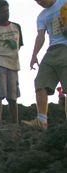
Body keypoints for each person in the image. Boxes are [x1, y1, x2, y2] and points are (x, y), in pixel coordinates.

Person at [22, 0, 67, 129]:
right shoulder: (41, 16)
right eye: (37, 1)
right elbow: (40, 36)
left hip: (65, 47)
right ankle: (42, 120)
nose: (40, 2)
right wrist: (34, 54)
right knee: (40, 82)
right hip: (52, 49)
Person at [0, 0, 23, 126]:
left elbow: (19, 45)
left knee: (12, 96)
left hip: (13, 64)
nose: (6, 14)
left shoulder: (16, 27)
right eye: (3, 12)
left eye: (7, 11)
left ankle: (15, 124)